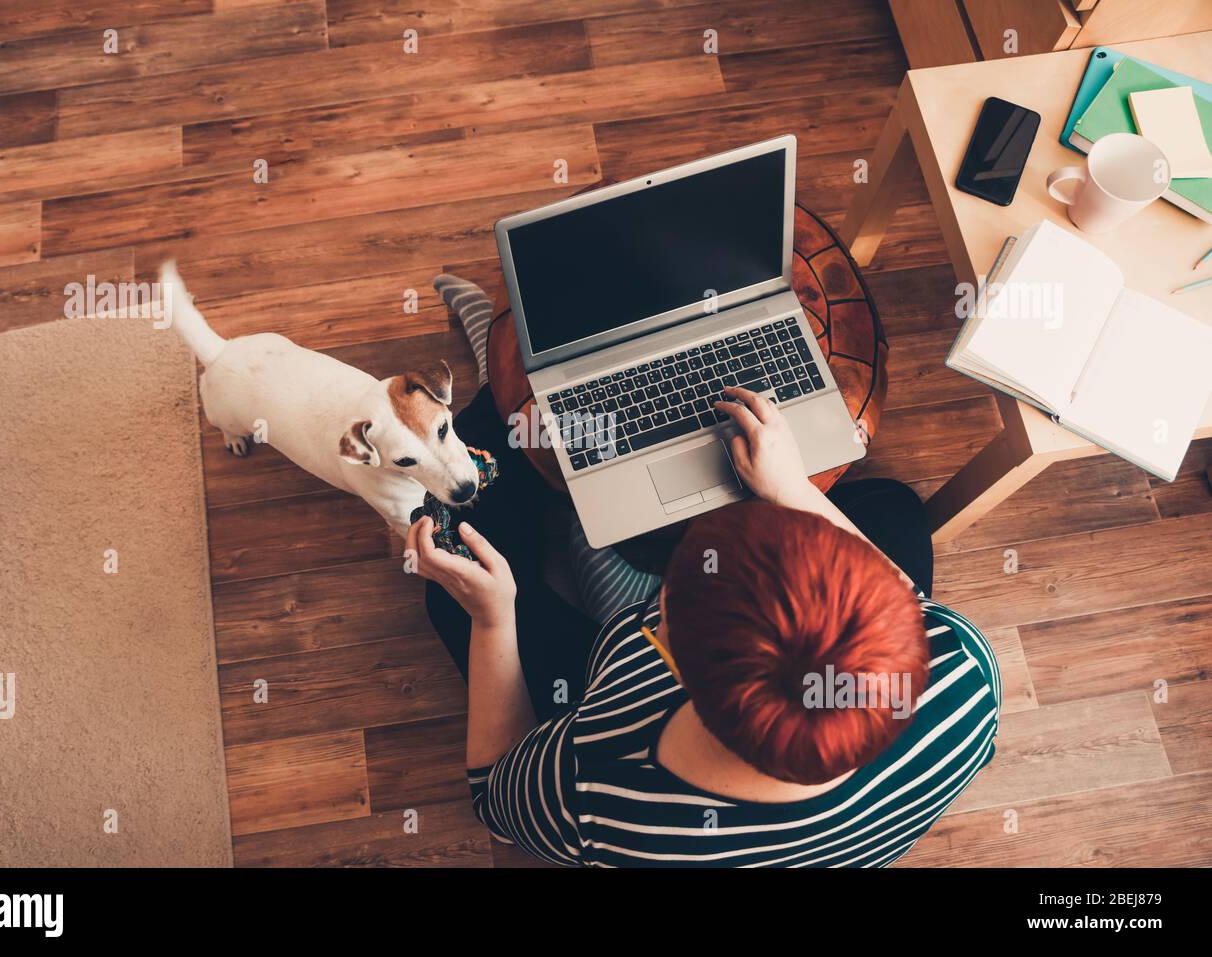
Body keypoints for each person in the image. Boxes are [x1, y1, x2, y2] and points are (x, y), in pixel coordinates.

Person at [407, 277, 1000, 867]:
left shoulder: (598, 804)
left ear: (675, 667)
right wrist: (792, 489)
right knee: (894, 508)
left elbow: (494, 801)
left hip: (597, 713)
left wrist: (492, 621)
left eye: (663, 613)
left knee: (454, 588)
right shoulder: (970, 673)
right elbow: (903, 593)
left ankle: (494, 389)